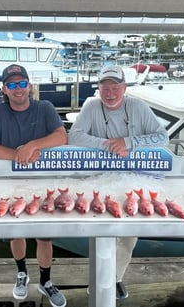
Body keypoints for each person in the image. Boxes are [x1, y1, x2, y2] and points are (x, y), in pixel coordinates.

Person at [68, 65, 169, 299]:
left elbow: (162, 137)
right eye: (105, 88)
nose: (110, 93)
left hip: (133, 179)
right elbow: (74, 135)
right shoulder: (91, 106)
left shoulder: (138, 107)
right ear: (99, 89)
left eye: (115, 87)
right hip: (99, 180)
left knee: (128, 235)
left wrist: (128, 142)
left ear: (124, 88)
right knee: (100, 232)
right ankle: (98, 279)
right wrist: (109, 145)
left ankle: (116, 278)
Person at [0, 64, 67, 307]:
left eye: (21, 84)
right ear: (4, 90)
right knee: (16, 231)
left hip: (44, 183)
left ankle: (45, 281)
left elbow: (62, 136)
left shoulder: (45, 107)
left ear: (29, 86)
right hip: (10, 184)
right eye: (12, 85)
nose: (18, 89)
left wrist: (32, 146)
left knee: (45, 237)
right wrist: (19, 154)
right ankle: (21, 273)